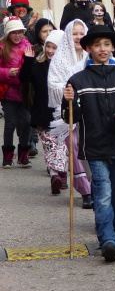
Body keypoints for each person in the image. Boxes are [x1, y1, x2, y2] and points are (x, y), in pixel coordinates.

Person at [62, 25, 115, 261]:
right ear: (88, 49)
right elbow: (71, 117)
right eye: (96, 45)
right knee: (102, 192)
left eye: (106, 44)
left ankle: (112, 227)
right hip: (94, 145)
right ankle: (107, 239)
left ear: (113, 47)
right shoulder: (77, 80)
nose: (102, 49)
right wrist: (68, 102)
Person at [46, 19, 94, 206]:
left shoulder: (92, 56)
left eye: (82, 33)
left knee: (92, 147)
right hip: (69, 112)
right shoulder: (60, 59)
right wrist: (69, 91)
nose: (78, 37)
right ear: (67, 35)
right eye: (74, 34)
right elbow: (53, 83)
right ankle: (86, 191)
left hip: (92, 110)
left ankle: (97, 185)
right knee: (75, 145)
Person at [20, 29, 63, 191]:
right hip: (42, 113)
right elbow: (24, 79)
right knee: (49, 145)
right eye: (48, 47)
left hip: (62, 114)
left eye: (54, 47)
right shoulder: (39, 65)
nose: (50, 51)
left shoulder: (66, 66)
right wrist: (28, 61)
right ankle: (55, 175)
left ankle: (61, 173)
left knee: (61, 147)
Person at [0, 17, 34, 168]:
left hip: (24, 92)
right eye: (14, 32)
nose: (17, 35)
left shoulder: (28, 46)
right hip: (8, 92)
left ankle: (23, 154)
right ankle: (8, 156)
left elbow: (32, 67)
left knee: (26, 122)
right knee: (10, 123)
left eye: (20, 32)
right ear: (8, 33)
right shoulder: (2, 47)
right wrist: (7, 73)